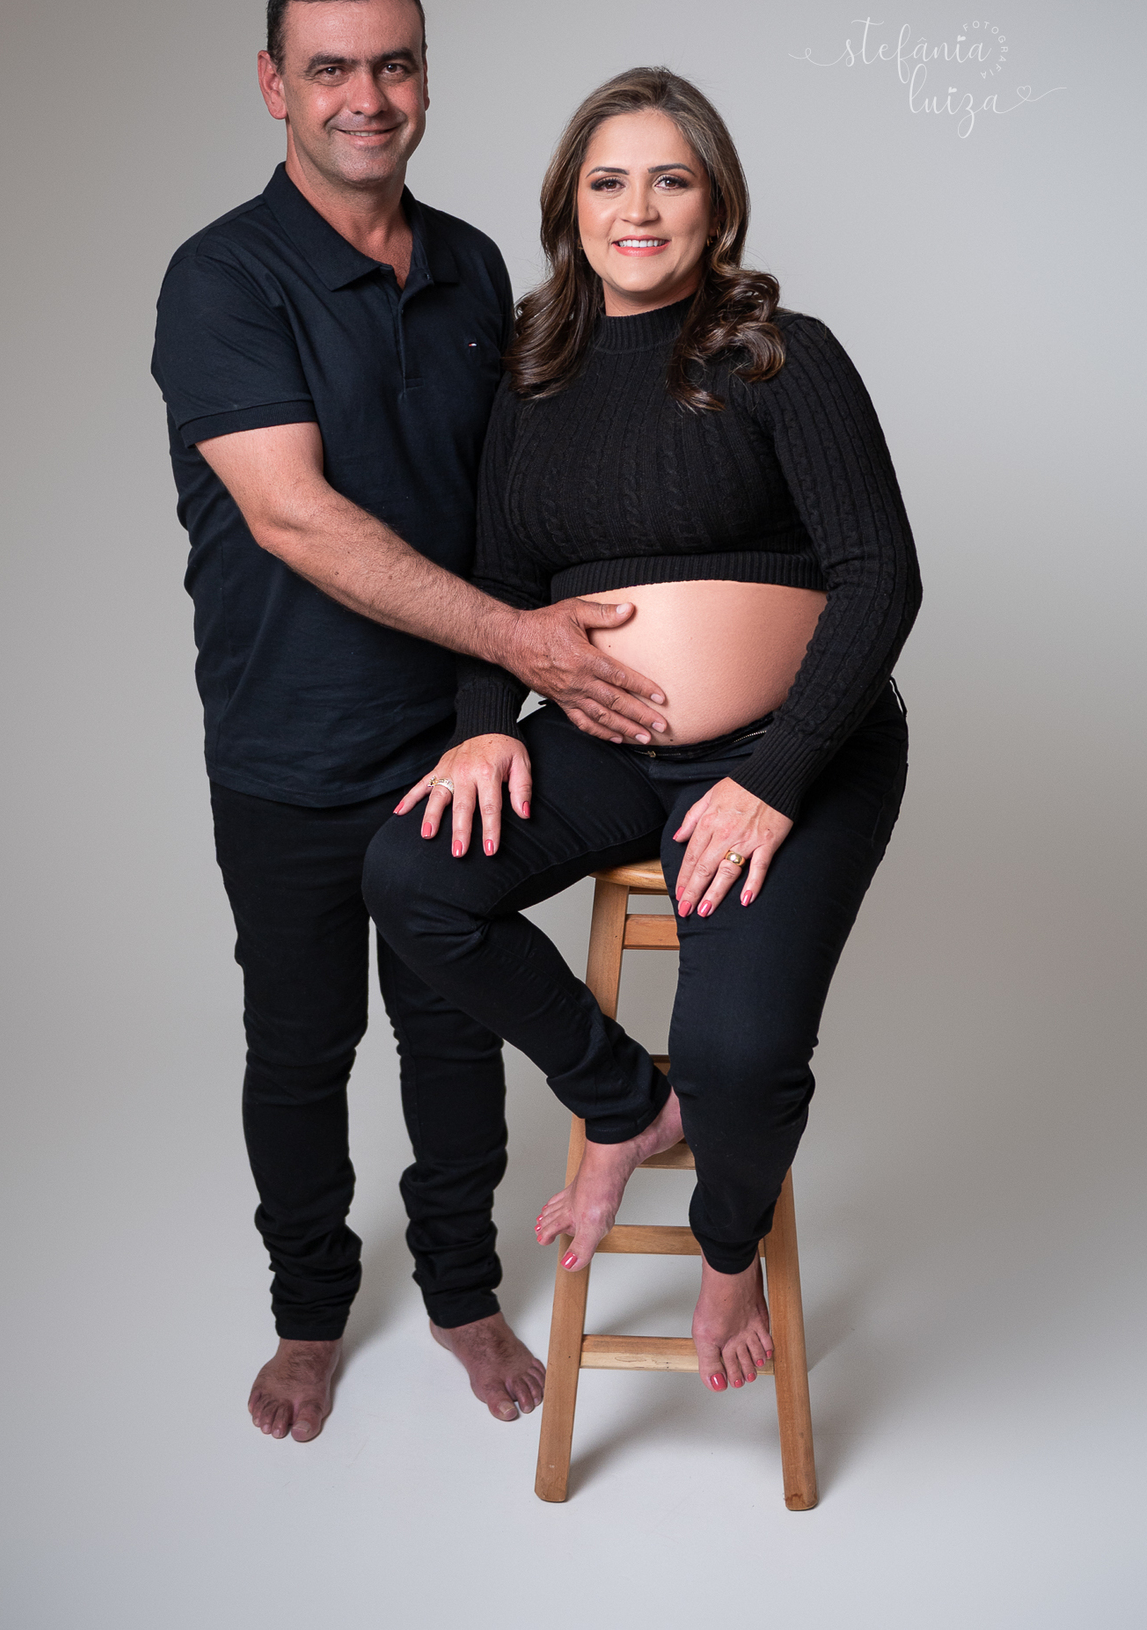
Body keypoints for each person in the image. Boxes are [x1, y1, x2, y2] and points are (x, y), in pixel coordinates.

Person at [151, 0, 678, 1442]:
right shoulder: (222, 278)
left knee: (453, 1040)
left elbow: (503, 507)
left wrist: (495, 708)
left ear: (427, 79)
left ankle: (460, 1293)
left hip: (453, 740)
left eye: (393, 64)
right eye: (329, 68)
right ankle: (310, 1315)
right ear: (275, 85)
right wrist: (525, 643)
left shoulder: (472, 267)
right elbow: (294, 517)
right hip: (283, 740)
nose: (365, 97)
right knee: (299, 1047)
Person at [364, 67, 921, 1395]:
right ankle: (625, 1101)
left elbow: (881, 576)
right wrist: (488, 724)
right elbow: (503, 579)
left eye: (671, 179)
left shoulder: (781, 353)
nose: (639, 208)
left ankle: (729, 1251)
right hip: (610, 744)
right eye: (609, 181)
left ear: (715, 202)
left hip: (798, 748)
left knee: (739, 1051)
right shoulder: (533, 373)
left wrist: (777, 777)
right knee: (411, 875)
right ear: (570, 205)